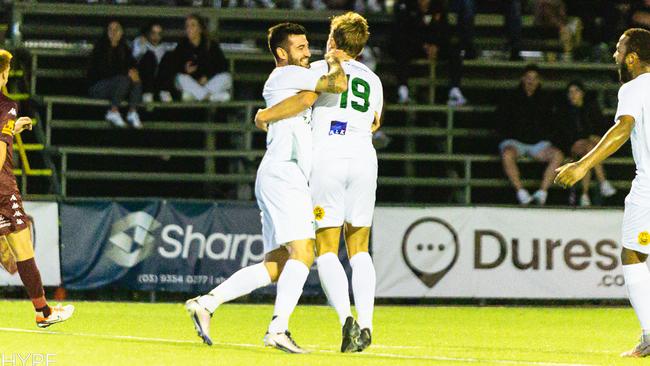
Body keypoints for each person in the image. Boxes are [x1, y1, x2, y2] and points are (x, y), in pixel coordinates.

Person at [184, 23, 348, 354]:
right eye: (300, 47)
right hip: (284, 175)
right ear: (281, 53)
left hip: (278, 175)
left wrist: (267, 114)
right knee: (304, 252)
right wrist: (335, 59)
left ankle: (207, 302)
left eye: (308, 46)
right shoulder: (285, 75)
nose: (307, 52)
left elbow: (306, 98)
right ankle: (278, 329)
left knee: (277, 265)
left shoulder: (294, 80)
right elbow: (337, 84)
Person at [255, 12, 381, 353]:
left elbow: (303, 99)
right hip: (364, 158)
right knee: (359, 248)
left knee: (326, 249)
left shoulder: (313, 70)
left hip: (326, 157)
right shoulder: (373, 79)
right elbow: (375, 123)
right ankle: (367, 324)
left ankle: (346, 320)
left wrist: (264, 115)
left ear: (332, 40)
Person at [555, 28, 650, 358]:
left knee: (634, 254)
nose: (615, 56)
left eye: (619, 50)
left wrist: (582, 165)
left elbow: (623, 128)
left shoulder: (634, 87)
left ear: (633, 58)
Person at [0, 49, 74, 327]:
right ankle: (43, 313)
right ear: (4, 74)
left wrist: (11, 129)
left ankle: (43, 311)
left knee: (18, 249)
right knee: (22, 250)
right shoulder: (5, 104)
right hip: (3, 189)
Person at [497, 64, 564, 205]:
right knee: (507, 154)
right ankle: (520, 192)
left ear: (539, 81)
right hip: (515, 142)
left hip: (538, 144)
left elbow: (552, 123)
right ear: (523, 79)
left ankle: (543, 192)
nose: (531, 81)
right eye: (528, 78)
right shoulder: (510, 98)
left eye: (534, 78)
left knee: (558, 155)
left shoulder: (546, 99)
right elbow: (502, 121)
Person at [553, 80, 617, 206]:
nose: (573, 95)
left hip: (591, 146)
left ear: (582, 93)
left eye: (576, 91)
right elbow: (562, 134)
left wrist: (592, 137)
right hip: (573, 146)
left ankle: (584, 195)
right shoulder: (564, 112)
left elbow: (601, 127)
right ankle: (603, 182)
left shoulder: (591, 108)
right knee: (590, 150)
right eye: (570, 92)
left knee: (587, 155)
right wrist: (579, 140)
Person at [392, 0, 466, 106]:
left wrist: (436, 46)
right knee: (401, 48)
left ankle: (454, 90)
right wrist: (423, 45)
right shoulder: (406, 6)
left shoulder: (438, 6)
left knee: (455, 50)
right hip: (415, 46)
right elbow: (403, 32)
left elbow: (444, 31)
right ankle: (402, 89)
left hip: (435, 47)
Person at [88, 20, 143, 128]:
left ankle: (132, 112)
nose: (113, 32)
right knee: (125, 79)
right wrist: (126, 72)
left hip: (119, 86)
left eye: (116, 29)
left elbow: (131, 65)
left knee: (136, 80)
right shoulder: (100, 48)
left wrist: (133, 72)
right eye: (110, 29)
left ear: (121, 32)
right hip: (98, 87)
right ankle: (113, 111)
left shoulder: (125, 48)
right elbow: (102, 72)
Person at [170, 14, 232, 102]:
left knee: (226, 77)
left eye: (193, 25)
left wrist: (207, 77)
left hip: (207, 83)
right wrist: (185, 70)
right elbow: (174, 67)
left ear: (200, 29)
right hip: (191, 82)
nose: (189, 29)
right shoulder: (182, 45)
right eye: (187, 26)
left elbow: (223, 65)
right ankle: (210, 97)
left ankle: (195, 96)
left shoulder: (210, 45)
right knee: (180, 78)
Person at [132, 22, 176, 103]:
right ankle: (148, 93)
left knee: (169, 55)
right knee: (149, 56)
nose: (156, 36)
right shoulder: (140, 42)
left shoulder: (166, 46)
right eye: (153, 33)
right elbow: (134, 57)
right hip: (145, 82)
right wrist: (141, 45)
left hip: (160, 81)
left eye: (159, 33)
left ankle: (164, 91)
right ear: (148, 33)